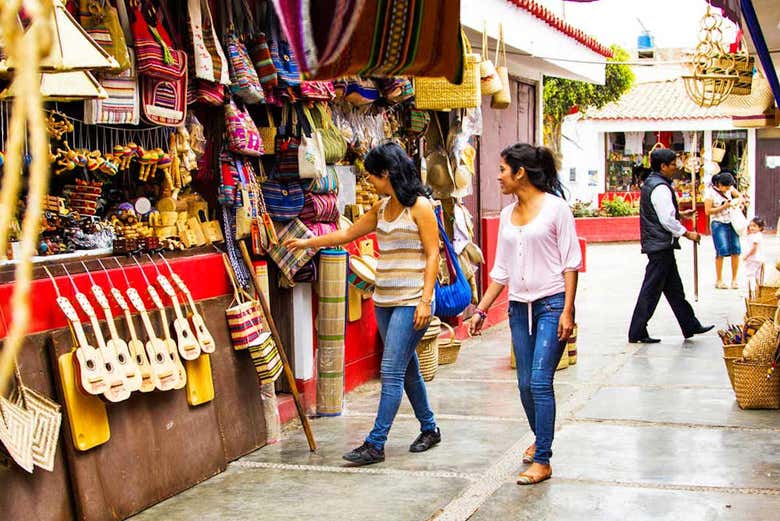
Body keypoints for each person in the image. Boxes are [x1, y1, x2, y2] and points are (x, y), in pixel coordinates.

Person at [284, 142, 441, 466]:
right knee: (407, 368)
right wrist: (307, 241)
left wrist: (426, 299)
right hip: (383, 299)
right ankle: (430, 428)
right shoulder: (381, 209)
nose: (369, 181)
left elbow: (433, 253)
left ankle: (375, 443)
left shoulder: (421, 207)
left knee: (390, 371)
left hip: (413, 301)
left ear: (387, 173)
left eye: (372, 176)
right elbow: (345, 235)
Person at [468, 143, 581, 486]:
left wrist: (567, 310)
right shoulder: (506, 215)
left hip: (551, 304)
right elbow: (500, 270)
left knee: (540, 381)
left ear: (520, 173)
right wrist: (481, 309)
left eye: (503, 169)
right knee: (523, 383)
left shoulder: (557, 209)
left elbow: (571, 262)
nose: (498, 176)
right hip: (518, 308)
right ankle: (540, 436)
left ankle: (543, 459)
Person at [628, 148, 714, 344]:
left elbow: (660, 214)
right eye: (673, 164)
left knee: (674, 289)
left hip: (659, 244)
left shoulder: (654, 183)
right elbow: (666, 219)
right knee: (651, 290)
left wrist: (680, 215)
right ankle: (637, 330)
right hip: (660, 246)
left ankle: (689, 324)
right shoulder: (660, 187)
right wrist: (687, 233)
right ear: (663, 166)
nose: (676, 167)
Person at [703, 171, 744, 289]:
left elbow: (739, 196)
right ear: (719, 185)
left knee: (736, 250)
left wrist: (738, 202)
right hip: (718, 223)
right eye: (726, 186)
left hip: (732, 222)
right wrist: (724, 206)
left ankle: (734, 279)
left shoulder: (730, 189)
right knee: (721, 251)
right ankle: (719, 280)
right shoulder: (709, 194)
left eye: (730, 186)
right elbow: (708, 211)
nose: (728, 189)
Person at [742, 217, 766, 291]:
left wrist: (746, 256)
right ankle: (758, 290)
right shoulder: (757, 235)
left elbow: (754, 249)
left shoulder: (755, 236)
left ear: (760, 227)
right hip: (759, 259)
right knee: (757, 276)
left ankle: (751, 290)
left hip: (753, 259)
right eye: (751, 226)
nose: (751, 228)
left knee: (750, 274)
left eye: (754, 226)